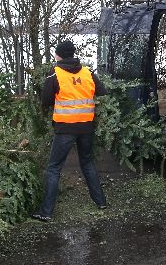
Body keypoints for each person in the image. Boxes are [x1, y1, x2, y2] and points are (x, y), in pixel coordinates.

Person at [31, 40, 107, 222]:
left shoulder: (54, 73)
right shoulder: (88, 72)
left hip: (65, 127)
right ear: (73, 54)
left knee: (53, 168)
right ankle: (101, 202)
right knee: (87, 163)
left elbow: (46, 100)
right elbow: (102, 92)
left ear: (58, 55)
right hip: (86, 126)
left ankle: (46, 212)